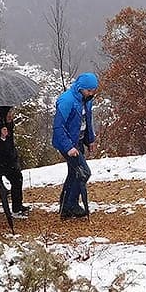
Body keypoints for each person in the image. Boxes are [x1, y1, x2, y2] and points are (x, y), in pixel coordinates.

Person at [52, 73, 98, 219]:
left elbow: (87, 121)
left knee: (74, 173)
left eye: (93, 90)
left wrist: (90, 140)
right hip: (67, 143)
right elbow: (58, 127)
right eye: (89, 90)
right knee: (84, 172)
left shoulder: (86, 100)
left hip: (77, 141)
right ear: (80, 88)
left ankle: (65, 206)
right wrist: (68, 147)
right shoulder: (67, 100)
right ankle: (70, 205)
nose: (91, 93)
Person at [0, 106, 30, 217]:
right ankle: (15, 208)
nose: (11, 114)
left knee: (17, 179)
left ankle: (17, 206)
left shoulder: (7, 122)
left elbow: (10, 142)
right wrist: (2, 137)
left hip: (9, 158)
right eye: (9, 112)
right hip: (0, 160)